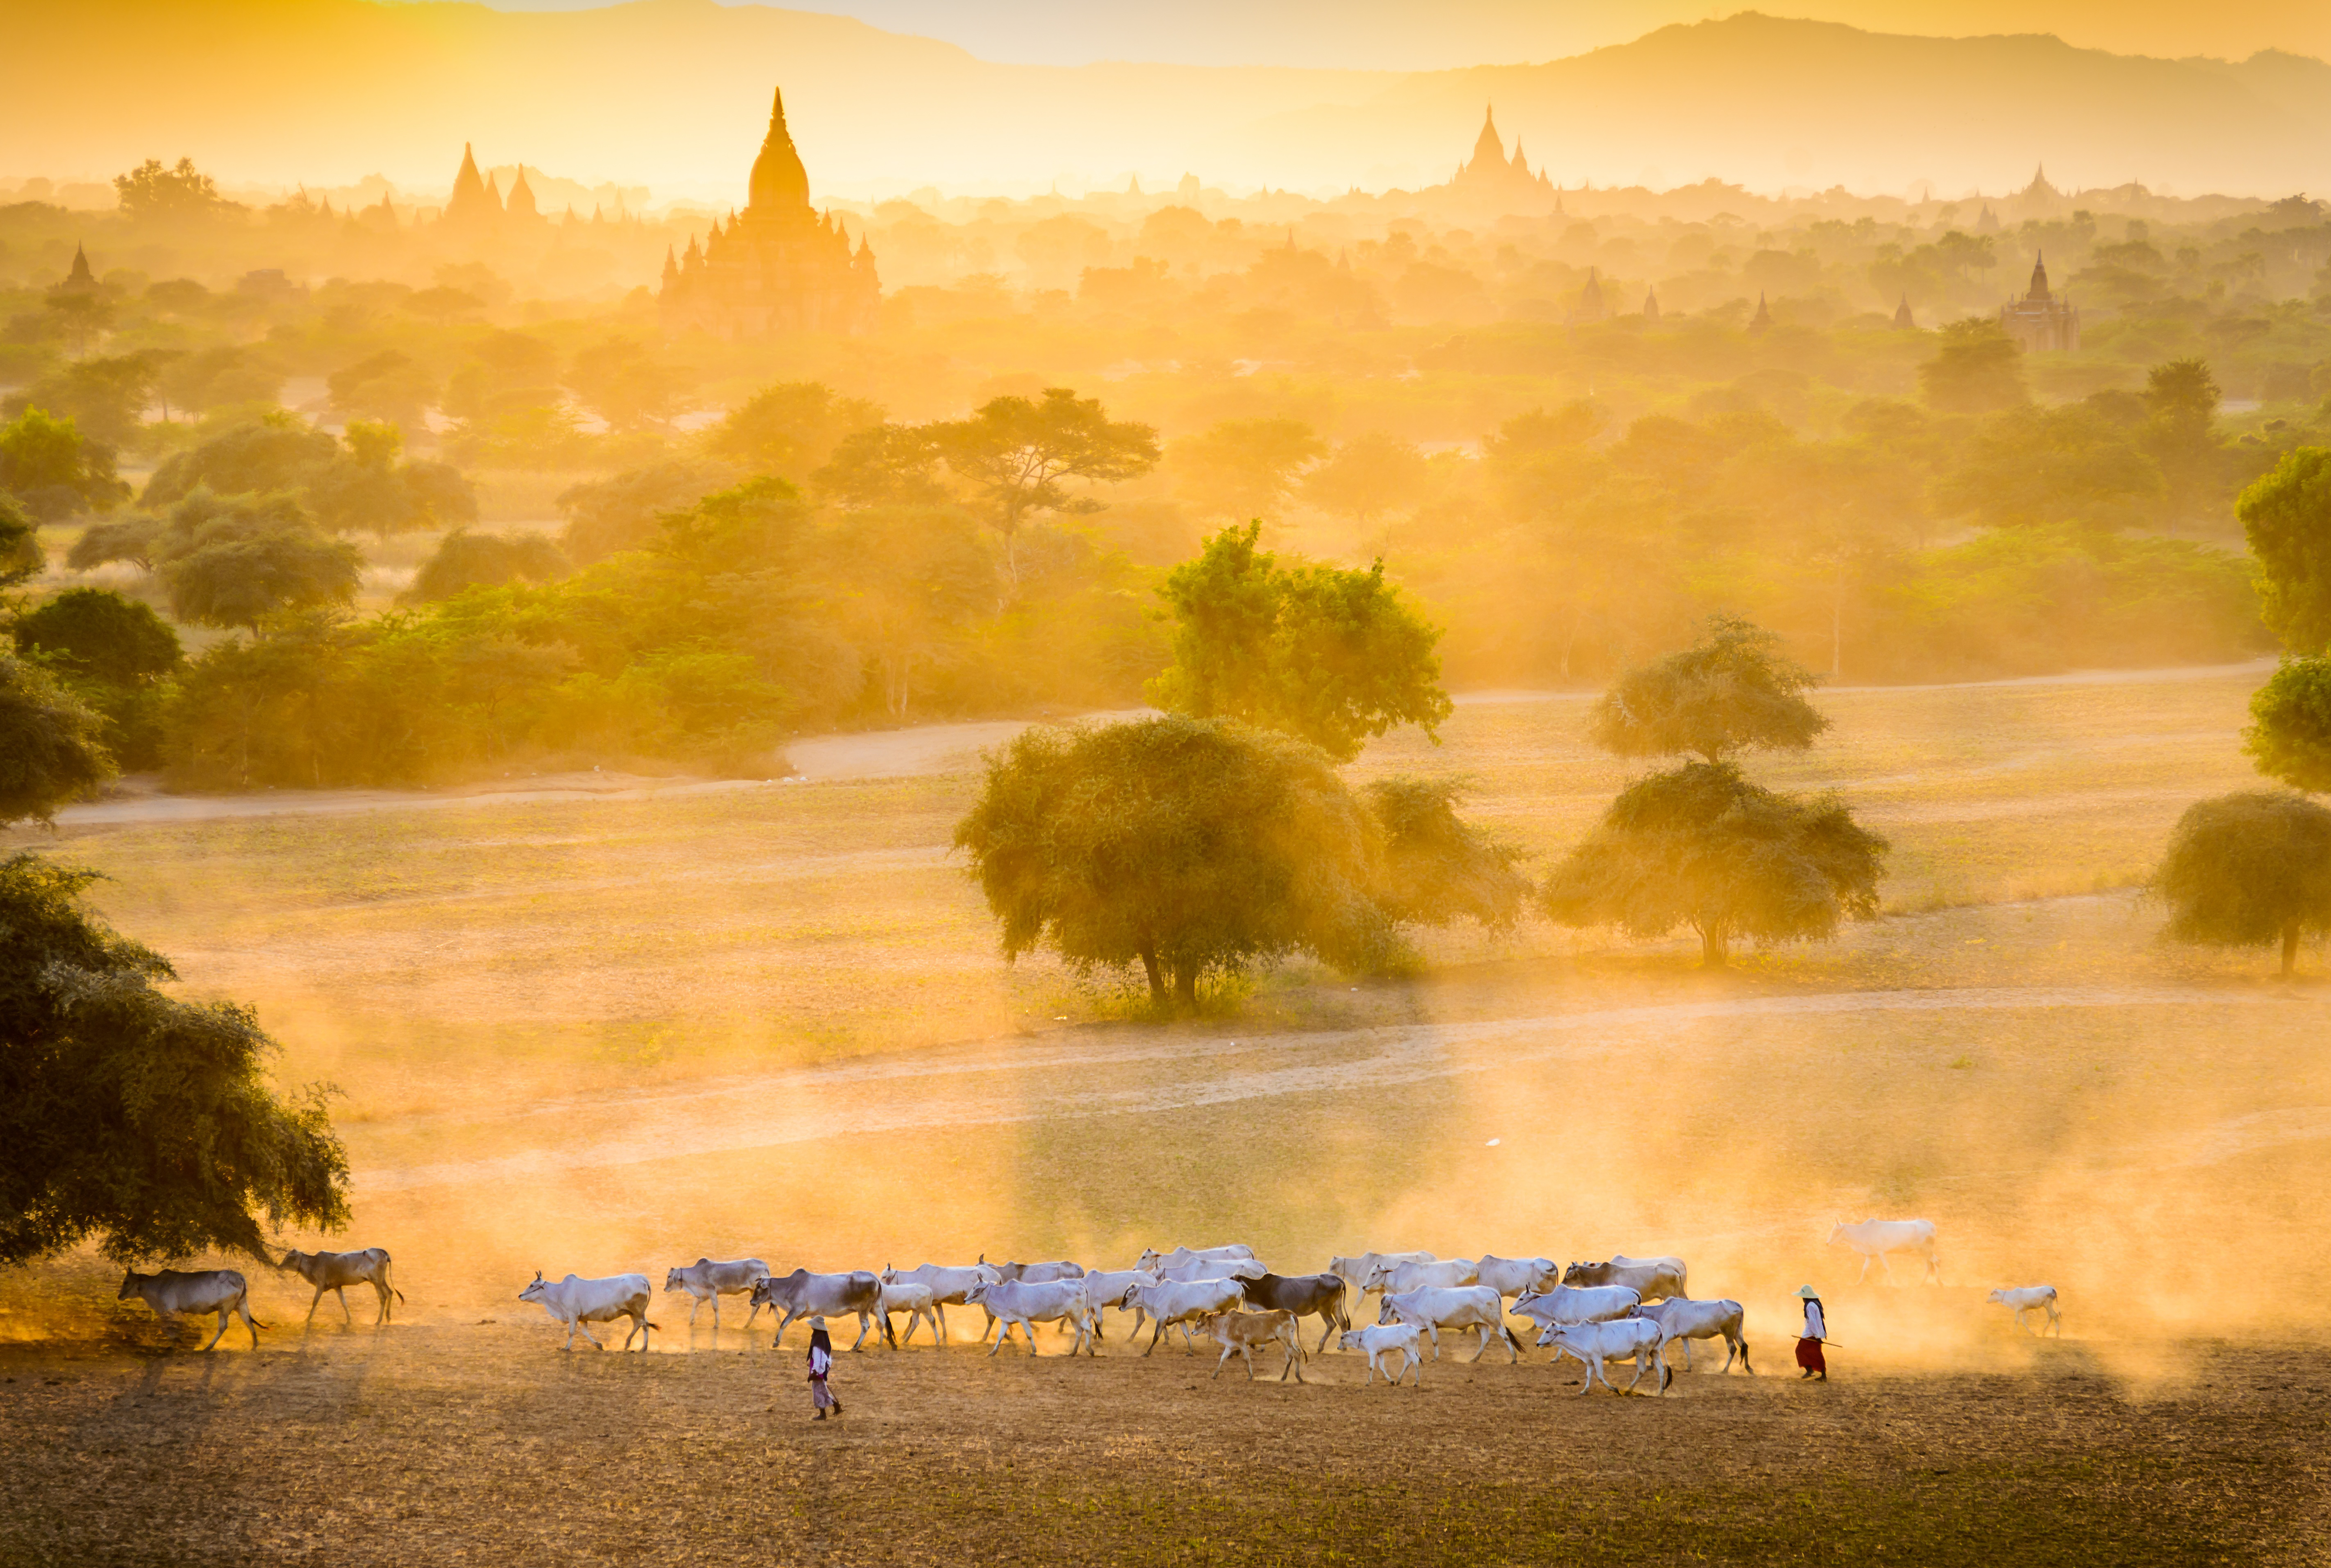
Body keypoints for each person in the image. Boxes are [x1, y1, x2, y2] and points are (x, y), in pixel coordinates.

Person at [808, 1316, 842, 1420]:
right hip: (822, 1369)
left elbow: (819, 1359)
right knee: (822, 1390)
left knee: (817, 1391)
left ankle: (823, 1414)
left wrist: (816, 1371)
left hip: (819, 1371)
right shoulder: (822, 1338)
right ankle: (836, 1407)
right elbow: (827, 1358)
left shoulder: (818, 1342)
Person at [1795, 1285, 1828, 1381]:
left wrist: (1817, 1337)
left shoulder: (1810, 1306)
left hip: (1812, 1334)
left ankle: (1810, 1371)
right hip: (1815, 1333)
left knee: (1800, 1350)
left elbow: (1813, 1322)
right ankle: (1823, 1375)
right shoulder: (1815, 1303)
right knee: (1816, 1354)